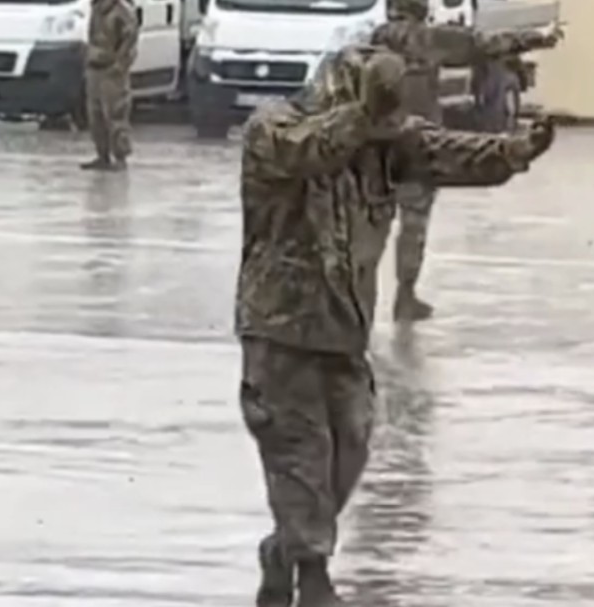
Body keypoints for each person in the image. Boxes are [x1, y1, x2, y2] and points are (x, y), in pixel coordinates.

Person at [235, 44, 555, 607]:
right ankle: (312, 577)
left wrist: (516, 149)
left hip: (344, 329)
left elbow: (444, 150)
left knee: (351, 446)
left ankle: (286, 548)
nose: (389, 124)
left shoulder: (383, 145)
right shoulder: (274, 129)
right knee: (299, 452)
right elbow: (309, 151)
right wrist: (363, 117)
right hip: (280, 327)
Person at [370, 0, 560, 320]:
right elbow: (484, 44)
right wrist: (538, 37)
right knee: (413, 223)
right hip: (419, 146)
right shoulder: (431, 39)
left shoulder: (370, 40)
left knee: (369, 229)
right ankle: (404, 296)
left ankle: (359, 305)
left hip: (373, 146)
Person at [81, 0, 139, 171]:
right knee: (95, 115)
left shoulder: (120, 10)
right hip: (95, 68)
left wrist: (120, 65)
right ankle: (102, 155)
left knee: (116, 114)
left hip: (111, 71)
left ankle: (120, 157)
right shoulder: (96, 8)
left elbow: (130, 38)